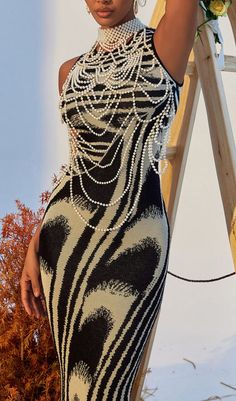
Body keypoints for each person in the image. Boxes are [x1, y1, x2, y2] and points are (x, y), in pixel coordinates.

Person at [20, 0, 198, 400]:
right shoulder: (70, 72)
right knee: (74, 387)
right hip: (63, 248)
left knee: (104, 389)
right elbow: (74, 168)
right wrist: (35, 242)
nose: (103, 0)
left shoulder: (165, 46)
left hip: (136, 245)